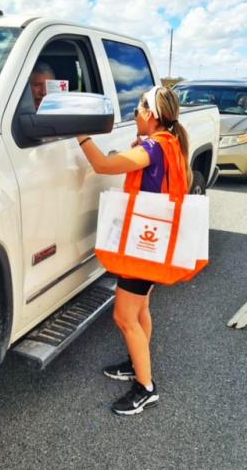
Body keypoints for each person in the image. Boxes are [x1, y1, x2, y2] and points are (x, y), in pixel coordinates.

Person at [77, 86, 192, 416]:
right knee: (140, 309)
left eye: (139, 109)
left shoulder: (153, 148)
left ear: (151, 115)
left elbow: (103, 165)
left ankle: (146, 388)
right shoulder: (168, 142)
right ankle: (135, 361)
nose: (134, 114)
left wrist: (80, 134)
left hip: (144, 245)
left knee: (124, 316)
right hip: (153, 243)